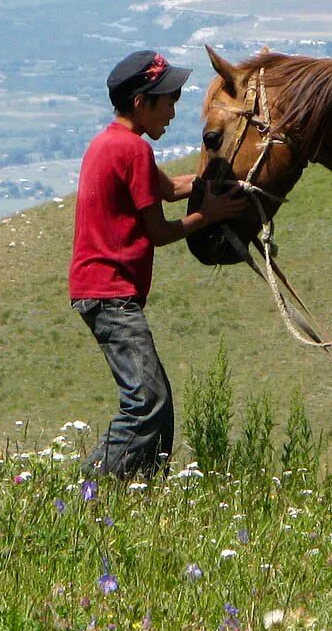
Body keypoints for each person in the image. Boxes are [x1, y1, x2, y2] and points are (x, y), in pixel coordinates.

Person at [69, 49, 247, 478]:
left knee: (154, 400)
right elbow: (160, 232)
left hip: (98, 290)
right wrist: (213, 214)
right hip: (111, 292)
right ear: (140, 103)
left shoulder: (109, 143)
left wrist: (218, 181)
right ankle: (87, 492)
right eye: (167, 99)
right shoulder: (132, 151)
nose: (173, 109)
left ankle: (141, 488)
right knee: (147, 403)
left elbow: (167, 189)